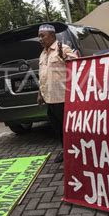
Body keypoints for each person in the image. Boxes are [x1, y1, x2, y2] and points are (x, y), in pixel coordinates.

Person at [37, 24, 77, 163]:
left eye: (43, 36)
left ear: (52, 36)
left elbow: (77, 67)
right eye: (39, 36)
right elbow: (42, 75)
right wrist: (40, 94)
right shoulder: (43, 54)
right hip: (49, 98)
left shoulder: (62, 49)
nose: (40, 39)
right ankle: (65, 150)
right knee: (57, 128)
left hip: (62, 97)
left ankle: (74, 151)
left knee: (67, 127)